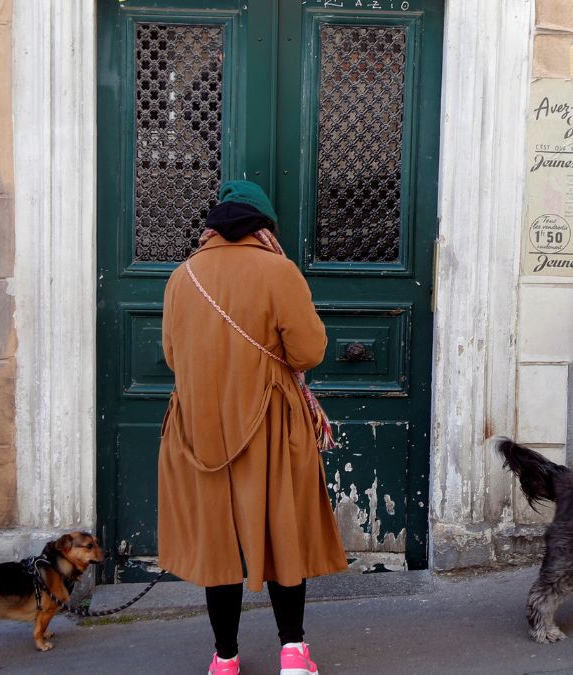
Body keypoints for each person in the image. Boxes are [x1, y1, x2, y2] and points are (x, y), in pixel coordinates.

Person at [158, 180, 349, 675]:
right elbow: (308, 352)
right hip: (270, 424)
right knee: (283, 531)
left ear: (215, 227)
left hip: (202, 429)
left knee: (219, 542)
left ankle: (224, 658)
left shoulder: (182, 277)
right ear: (263, 227)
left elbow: (173, 357)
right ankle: (292, 652)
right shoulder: (277, 271)